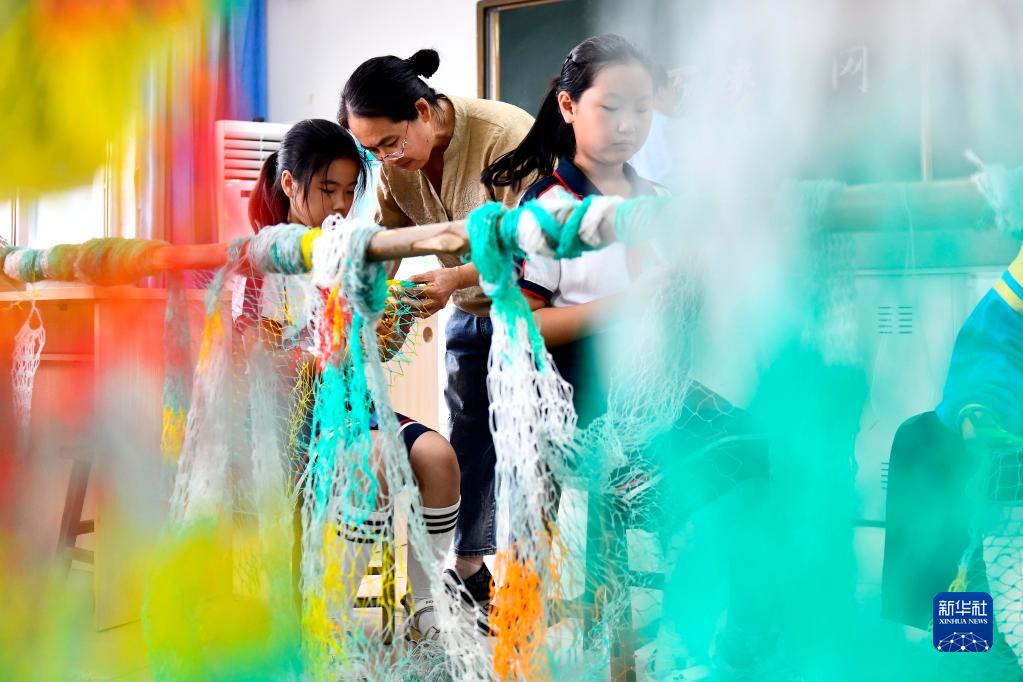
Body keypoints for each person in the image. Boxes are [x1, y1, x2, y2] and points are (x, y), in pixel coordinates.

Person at [339, 49, 534, 628]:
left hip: (530, 307)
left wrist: (455, 278)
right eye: (371, 151)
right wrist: (371, 300)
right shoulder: (393, 163)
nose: (385, 159)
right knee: (467, 440)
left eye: (389, 143)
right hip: (471, 311)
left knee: (526, 446)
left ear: (423, 112)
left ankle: (532, 578)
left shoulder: (505, 135)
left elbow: (529, 244)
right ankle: (467, 572)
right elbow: (387, 237)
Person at [247, 118, 460, 641]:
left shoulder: (345, 256)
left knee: (439, 458)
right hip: (295, 422)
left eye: (349, 192)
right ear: (289, 183)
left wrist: (396, 315)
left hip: (354, 409)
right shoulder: (263, 262)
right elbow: (262, 365)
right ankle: (334, 619)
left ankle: (425, 607)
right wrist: (330, 346)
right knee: (376, 457)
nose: (340, 206)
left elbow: (368, 352)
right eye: (328, 190)